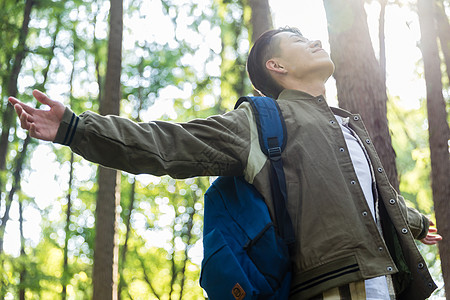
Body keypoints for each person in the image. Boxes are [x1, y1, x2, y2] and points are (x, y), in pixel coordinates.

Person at [9, 27, 442, 299]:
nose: (315, 40)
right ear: (277, 66)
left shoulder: (348, 125)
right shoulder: (258, 120)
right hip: (326, 288)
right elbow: (168, 144)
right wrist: (74, 128)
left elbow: (368, 197)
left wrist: (418, 223)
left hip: (387, 282)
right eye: (297, 39)